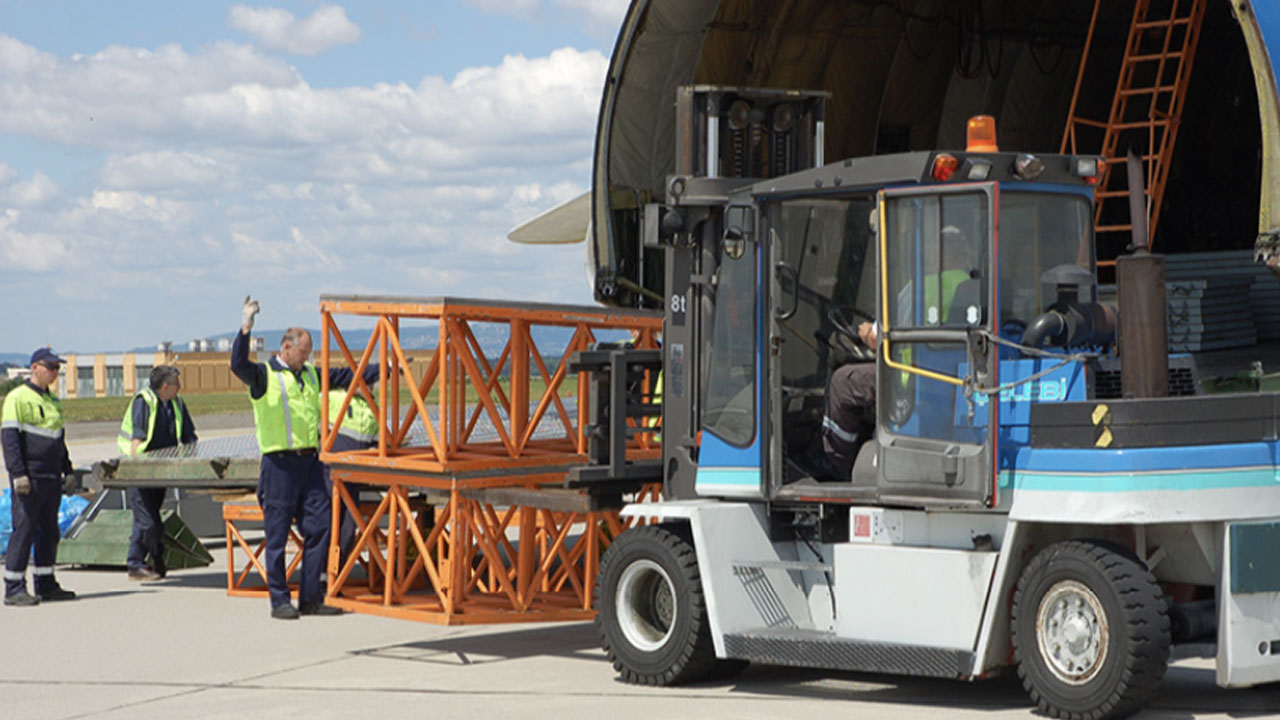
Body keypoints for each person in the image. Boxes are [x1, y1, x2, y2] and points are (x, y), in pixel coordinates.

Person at [230, 296, 376, 620]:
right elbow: (238, 365)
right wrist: (246, 327)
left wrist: (383, 370)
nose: (306, 358)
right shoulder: (264, 376)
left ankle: (311, 597)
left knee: (321, 526)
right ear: (286, 347)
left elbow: (343, 376)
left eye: (308, 353)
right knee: (277, 536)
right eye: (302, 352)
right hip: (279, 465)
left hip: (311, 464)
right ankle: (280, 600)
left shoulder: (310, 374)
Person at [823, 225, 980, 480]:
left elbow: (877, 337)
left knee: (843, 382)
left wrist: (863, 331)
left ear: (938, 255)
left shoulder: (925, 286)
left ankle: (838, 468)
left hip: (909, 378)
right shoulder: (973, 286)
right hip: (953, 381)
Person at [1, 348, 76, 606]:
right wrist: (18, 474)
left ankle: (45, 583)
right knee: (24, 530)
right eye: (51, 367)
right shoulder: (17, 398)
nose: (56, 372)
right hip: (29, 477)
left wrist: (68, 470)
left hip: (51, 476)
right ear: (35, 367)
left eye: (58, 368)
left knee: (49, 532)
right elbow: (10, 441)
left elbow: (58, 440)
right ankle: (14, 588)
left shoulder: (53, 401)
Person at [117, 365, 197, 581]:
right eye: (176, 384)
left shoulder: (177, 403)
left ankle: (150, 561)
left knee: (148, 520)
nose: (180, 388)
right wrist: (135, 470)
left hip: (161, 470)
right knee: (148, 522)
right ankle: (140, 564)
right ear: (165, 386)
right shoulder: (144, 401)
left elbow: (189, 435)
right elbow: (137, 438)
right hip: (140, 470)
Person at [325, 387, 378, 569]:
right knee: (328, 526)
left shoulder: (373, 409)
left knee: (347, 531)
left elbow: (376, 442)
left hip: (353, 479)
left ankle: (334, 575)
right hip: (329, 475)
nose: (366, 386)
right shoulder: (335, 398)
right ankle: (322, 576)